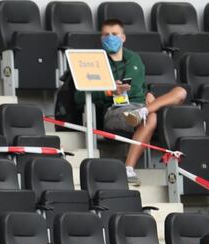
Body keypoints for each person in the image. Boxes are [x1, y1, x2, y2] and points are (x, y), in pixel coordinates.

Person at [75, 18, 188, 185]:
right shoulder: (94, 61)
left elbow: (141, 86)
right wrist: (109, 91)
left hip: (141, 106)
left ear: (123, 37)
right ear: (101, 38)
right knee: (153, 118)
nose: (110, 38)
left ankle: (144, 111)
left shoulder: (134, 59)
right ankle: (128, 168)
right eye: (106, 35)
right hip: (115, 110)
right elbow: (79, 97)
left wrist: (148, 93)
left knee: (181, 92)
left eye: (114, 34)